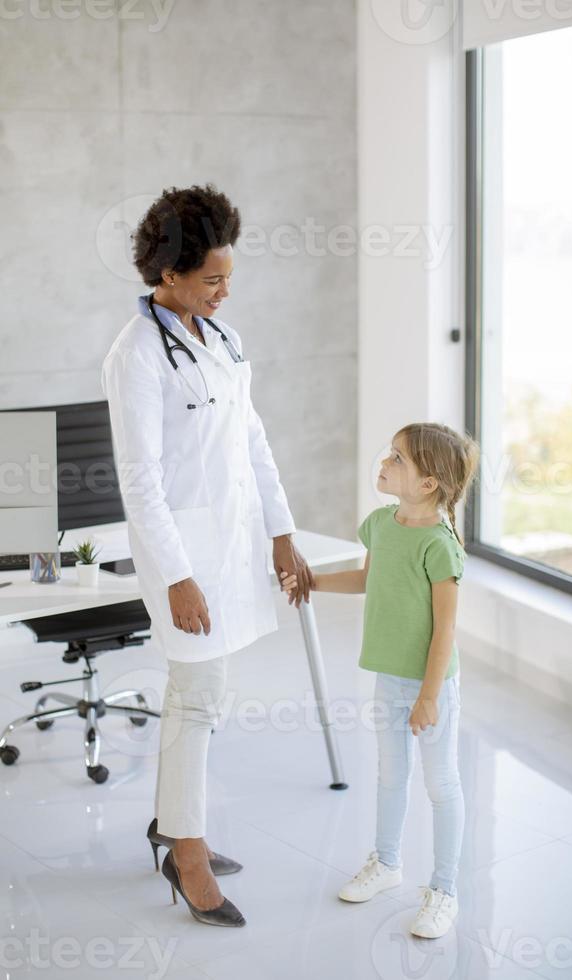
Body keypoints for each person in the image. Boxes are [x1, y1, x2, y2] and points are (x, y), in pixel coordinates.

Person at [101, 183, 314, 928]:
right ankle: (186, 854)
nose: (226, 291)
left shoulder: (220, 338)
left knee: (205, 699)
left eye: (229, 276)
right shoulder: (134, 358)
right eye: (213, 278)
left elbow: (250, 438)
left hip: (230, 543)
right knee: (194, 703)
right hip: (184, 559)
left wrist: (282, 531)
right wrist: (179, 577)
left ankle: (173, 826)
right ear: (167, 275)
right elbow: (140, 483)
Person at [281, 422, 480, 939]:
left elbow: (445, 630)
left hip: (431, 685)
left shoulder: (439, 546)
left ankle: (444, 890)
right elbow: (369, 580)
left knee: (441, 784)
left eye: (398, 458)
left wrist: (430, 697)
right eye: (389, 454)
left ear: (428, 482)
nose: (384, 463)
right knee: (391, 777)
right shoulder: (379, 524)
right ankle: (387, 864)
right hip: (389, 679)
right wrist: (314, 581)